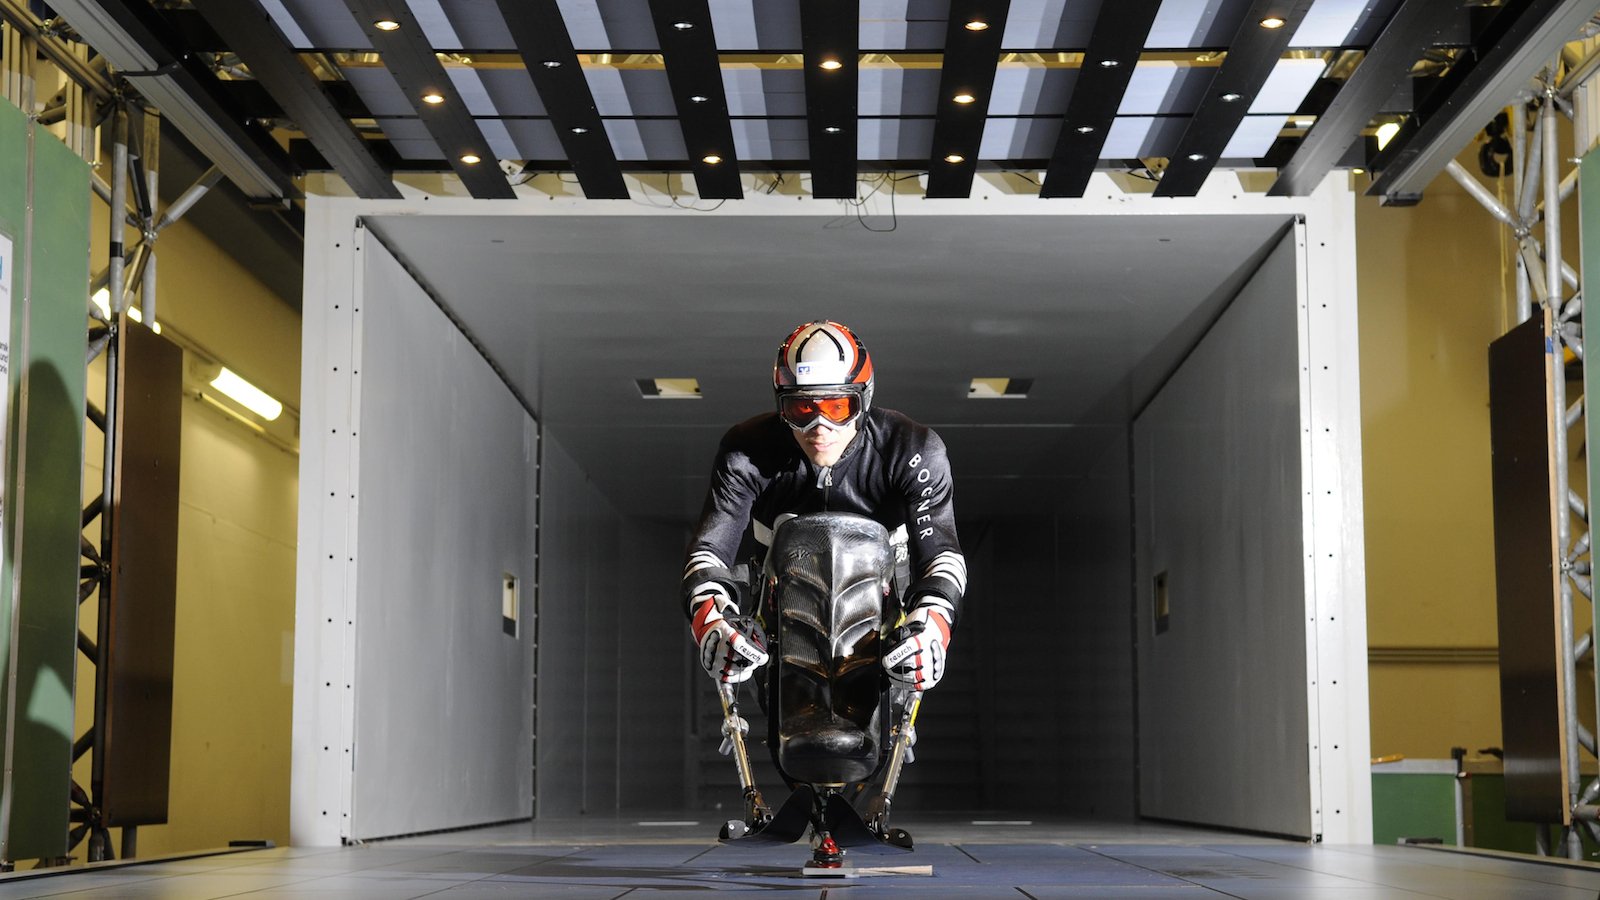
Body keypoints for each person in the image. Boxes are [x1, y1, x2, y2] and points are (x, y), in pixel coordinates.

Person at [682, 320, 965, 694]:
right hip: (778, 615)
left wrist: (933, 623)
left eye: (837, 406)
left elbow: (942, 552)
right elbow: (710, 549)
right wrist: (712, 618)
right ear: (781, 405)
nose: (820, 427)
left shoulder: (911, 449)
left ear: (863, 400)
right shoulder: (746, 451)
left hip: (885, 614)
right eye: (802, 409)